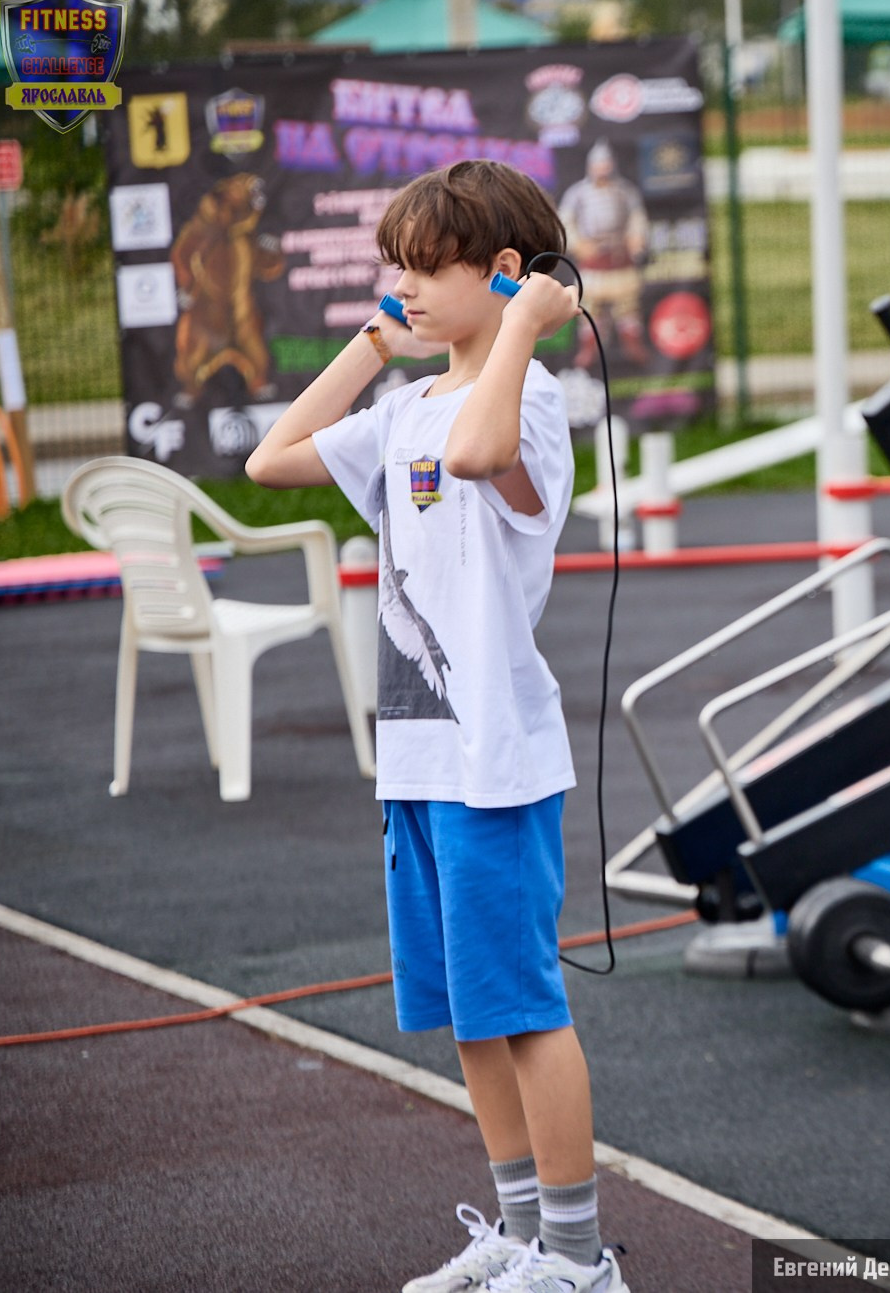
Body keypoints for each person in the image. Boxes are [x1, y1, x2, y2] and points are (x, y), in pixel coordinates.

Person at [246, 160, 625, 1293]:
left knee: (522, 1004)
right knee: (468, 1014)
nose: (402, 285)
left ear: (504, 273)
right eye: (393, 266)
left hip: (493, 763)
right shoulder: (404, 404)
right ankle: (516, 1233)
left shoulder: (529, 401)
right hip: (417, 760)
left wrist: (521, 327)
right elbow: (272, 459)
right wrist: (373, 343)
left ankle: (577, 1256)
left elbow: (477, 454)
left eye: (423, 267)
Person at [557, 141, 650, 368]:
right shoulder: (578, 193)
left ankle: (632, 345)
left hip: (619, 258)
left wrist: (635, 240)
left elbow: (637, 219)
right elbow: (565, 223)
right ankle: (589, 348)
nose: (602, 169)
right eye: (599, 164)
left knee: (627, 306)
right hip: (592, 259)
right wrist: (579, 245)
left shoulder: (625, 191)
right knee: (590, 306)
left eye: (606, 164)